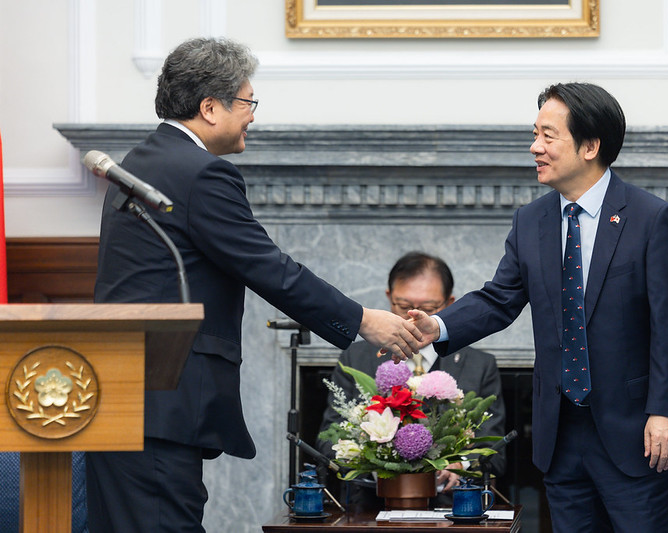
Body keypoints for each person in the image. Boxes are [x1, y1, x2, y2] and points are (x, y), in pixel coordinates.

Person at [87, 37, 421, 532]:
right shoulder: (201, 173)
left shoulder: (142, 162)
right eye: (246, 102)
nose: (252, 115)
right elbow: (268, 267)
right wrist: (364, 319)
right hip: (160, 401)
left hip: (125, 398)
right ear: (209, 107)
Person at [406, 83, 668, 532]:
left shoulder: (652, 219)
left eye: (547, 135)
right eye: (534, 133)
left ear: (590, 146)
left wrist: (665, 411)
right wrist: (438, 325)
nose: (534, 147)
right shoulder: (531, 220)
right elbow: (498, 298)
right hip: (561, 434)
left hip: (636, 432)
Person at [317, 251, 506, 505]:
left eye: (428, 308)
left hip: (451, 512)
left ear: (450, 303)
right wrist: (374, 464)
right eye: (403, 306)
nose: (413, 317)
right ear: (388, 297)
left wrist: (460, 466)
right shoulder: (356, 358)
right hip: (370, 510)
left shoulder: (480, 365)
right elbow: (327, 440)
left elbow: (496, 451)